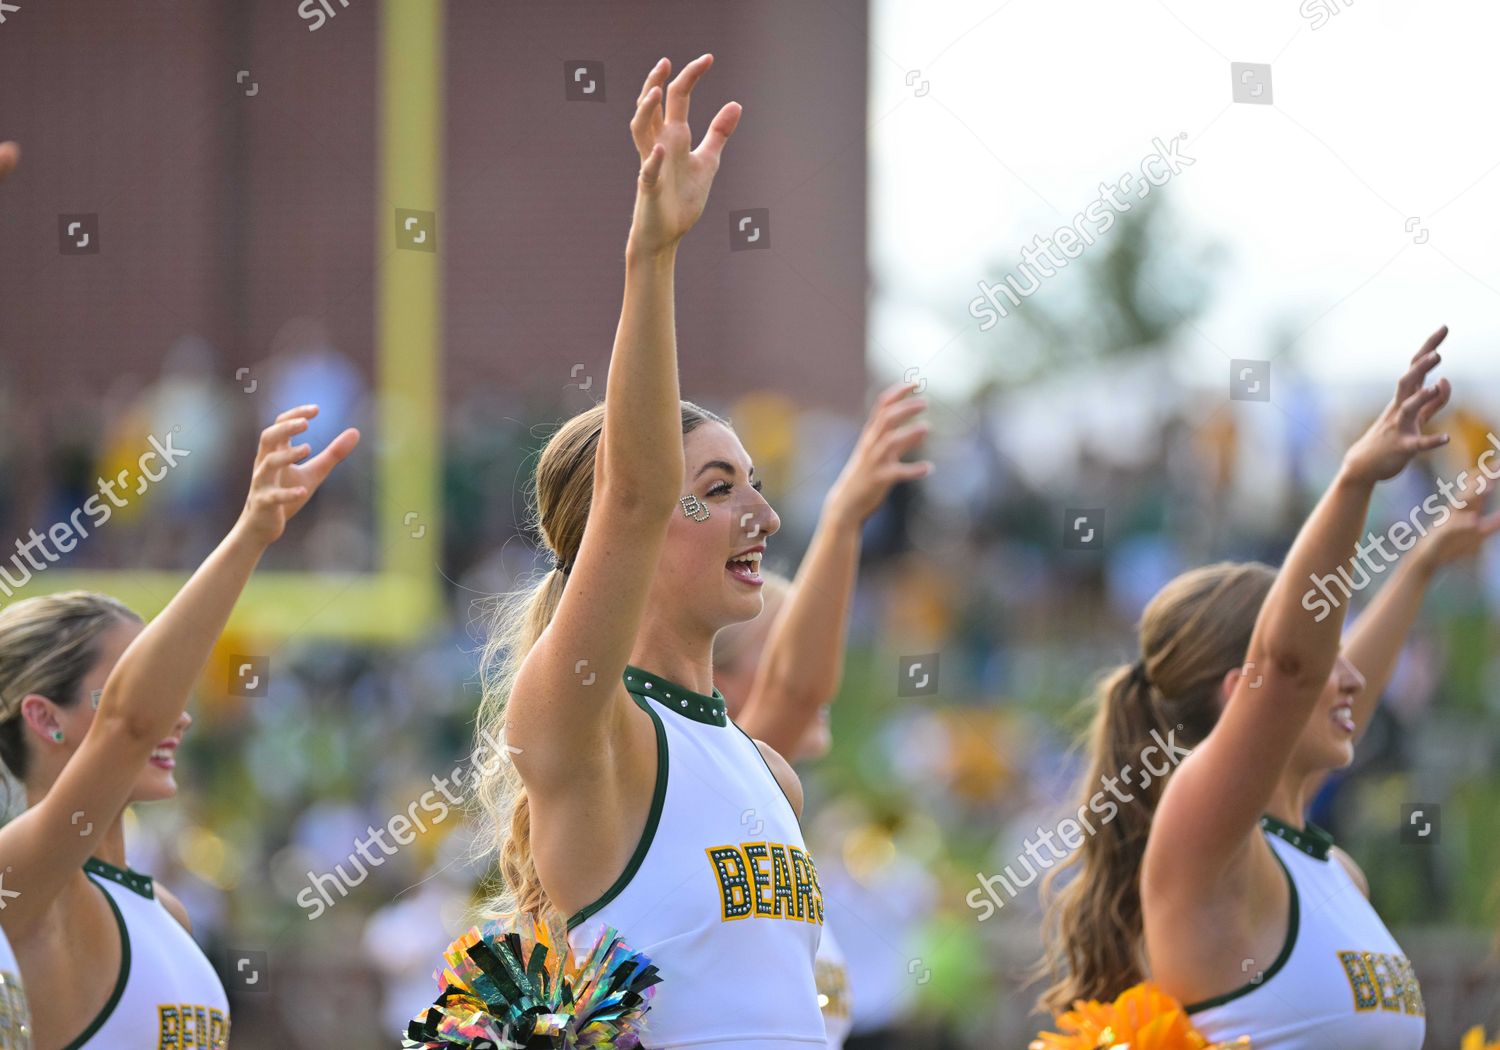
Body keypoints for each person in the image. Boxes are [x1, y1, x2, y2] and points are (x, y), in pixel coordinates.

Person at [470, 54, 829, 1047]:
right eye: (716, 491)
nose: (761, 513)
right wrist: (654, 252)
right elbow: (631, 495)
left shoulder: (769, 772)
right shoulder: (588, 722)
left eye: (756, 483)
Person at [1037, 331, 1458, 1047]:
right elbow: (1296, 670)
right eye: (1330, 652)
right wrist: (1354, 480)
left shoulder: (1331, 871)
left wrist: (1424, 562)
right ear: (1242, 692)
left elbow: (1335, 679)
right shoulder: (1207, 841)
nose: (1352, 674)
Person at [0, 405, 357, 1048]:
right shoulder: (19, 881)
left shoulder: (167, 911)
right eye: (131, 688)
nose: (179, 714)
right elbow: (130, 726)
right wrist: (251, 533)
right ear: (43, 717)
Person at [713, 379, 931, 1047]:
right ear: (722, 683)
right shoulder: (719, 781)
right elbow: (796, 692)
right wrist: (843, 519)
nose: (823, 668)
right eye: (792, 650)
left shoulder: (770, 812)